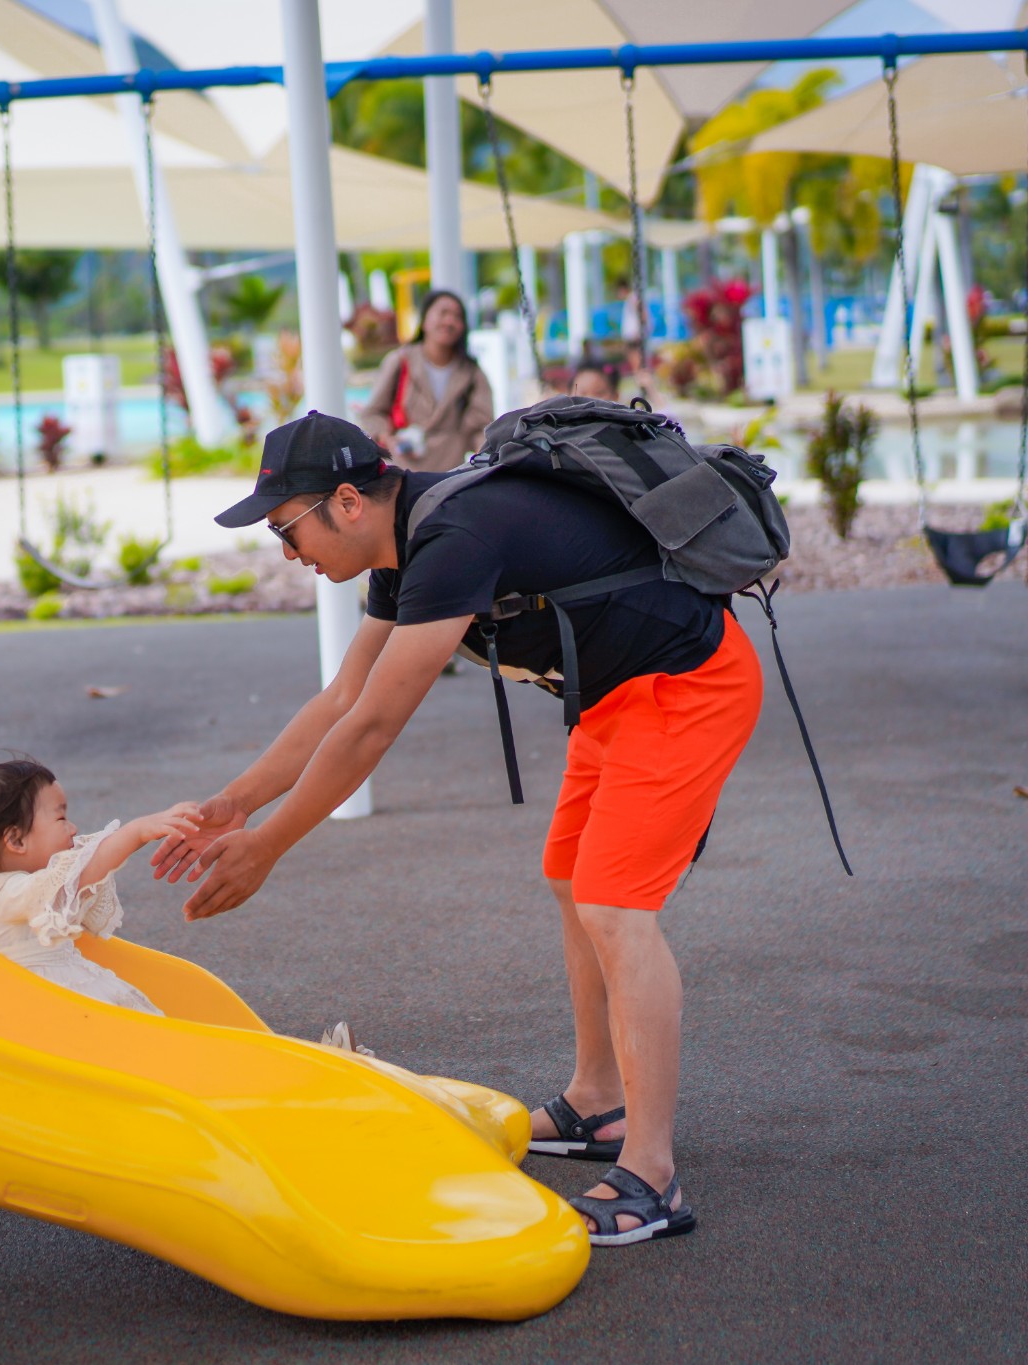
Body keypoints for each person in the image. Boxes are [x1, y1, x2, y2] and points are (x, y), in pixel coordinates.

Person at [153, 411, 762, 1248]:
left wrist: (269, 846)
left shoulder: (457, 535)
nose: (286, 552)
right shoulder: (401, 546)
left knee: (618, 907)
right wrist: (237, 802)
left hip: (686, 688)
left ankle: (654, 1175)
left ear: (345, 501)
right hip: (615, 700)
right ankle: (598, 1102)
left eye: (286, 530)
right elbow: (341, 701)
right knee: (569, 879)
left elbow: (373, 728)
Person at [0, 757, 201, 1015]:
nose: (73, 828)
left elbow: (81, 868)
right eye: (60, 818)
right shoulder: (4, 894)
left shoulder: (14, 890)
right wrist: (136, 833)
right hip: (44, 1012)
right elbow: (82, 873)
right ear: (16, 840)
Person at [357, 290, 493, 472]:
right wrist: (387, 438)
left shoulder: (471, 372)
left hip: (450, 473)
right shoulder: (400, 360)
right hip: (403, 470)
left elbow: (482, 425)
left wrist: (482, 454)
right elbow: (373, 412)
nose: (449, 321)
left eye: (457, 316)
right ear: (425, 320)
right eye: (443, 313)